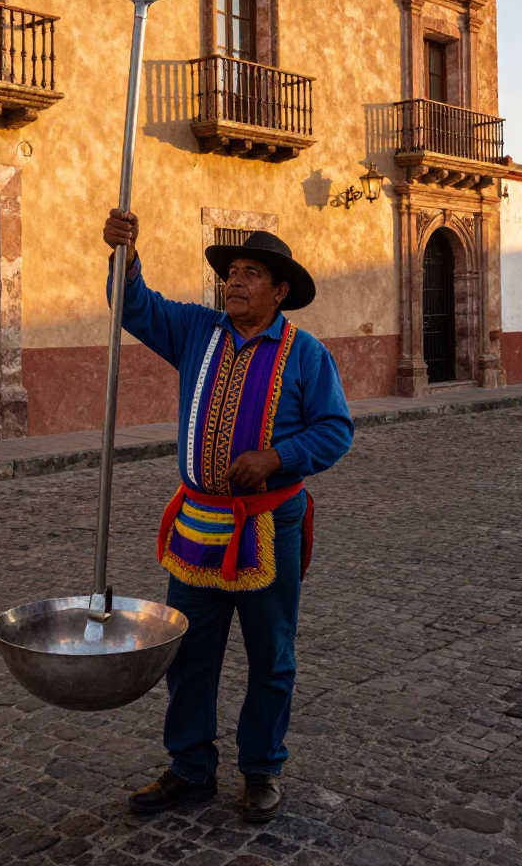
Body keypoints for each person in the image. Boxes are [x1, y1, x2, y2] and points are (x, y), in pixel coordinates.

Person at [103, 209, 354, 823]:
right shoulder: (196, 332)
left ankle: (262, 768)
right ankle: (190, 767)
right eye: (232, 272)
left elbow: (335, 431)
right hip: (199, 526)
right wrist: (125, 256)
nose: (235, 282)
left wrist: (277, 456)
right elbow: (134, 307)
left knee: (271, 655)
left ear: (281, 291)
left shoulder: (306, 355)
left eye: (252, 274)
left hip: (271, 526)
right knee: (188, 653)